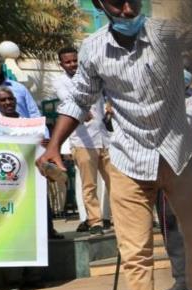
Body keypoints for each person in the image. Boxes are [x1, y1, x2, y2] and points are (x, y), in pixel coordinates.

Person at [36, 0, 192, 290]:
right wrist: (53, 145)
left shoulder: (165, 34)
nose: (126, 9)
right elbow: (78, 99)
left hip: (179, 155)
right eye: (115, 1)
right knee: (136, 252)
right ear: (99, 4)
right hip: (128, 160)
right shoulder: (93, 48)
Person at [0, 87, 64, 241]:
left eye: (11, 99)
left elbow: (47, 149)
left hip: (29, 173)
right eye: (3, 100)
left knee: (39, 198)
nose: (8, 102)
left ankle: (48, 230)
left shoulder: (33, 124)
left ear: (16, 101)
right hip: (0, 176)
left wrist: (45, 143)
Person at [155, 55, 192, 290]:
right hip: (159, 167)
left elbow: (184, 125)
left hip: (185, 169)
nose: (185, 74)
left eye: (189, 70)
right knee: (169, 226)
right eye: (181, 69)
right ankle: (180, 278)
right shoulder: (157, 95)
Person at [53, 46, 112, 237]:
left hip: (106, 139)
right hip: (82, 141)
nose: (72, 65)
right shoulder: (61, 82)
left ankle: (118, 218)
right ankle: (95, 221)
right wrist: (81, 111)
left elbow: (108, 95)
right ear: (61, 64)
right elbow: (68, 99)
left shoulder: (94, 78)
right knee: (89, 185)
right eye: (67, 62)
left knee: (117, 182)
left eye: (75, 60)